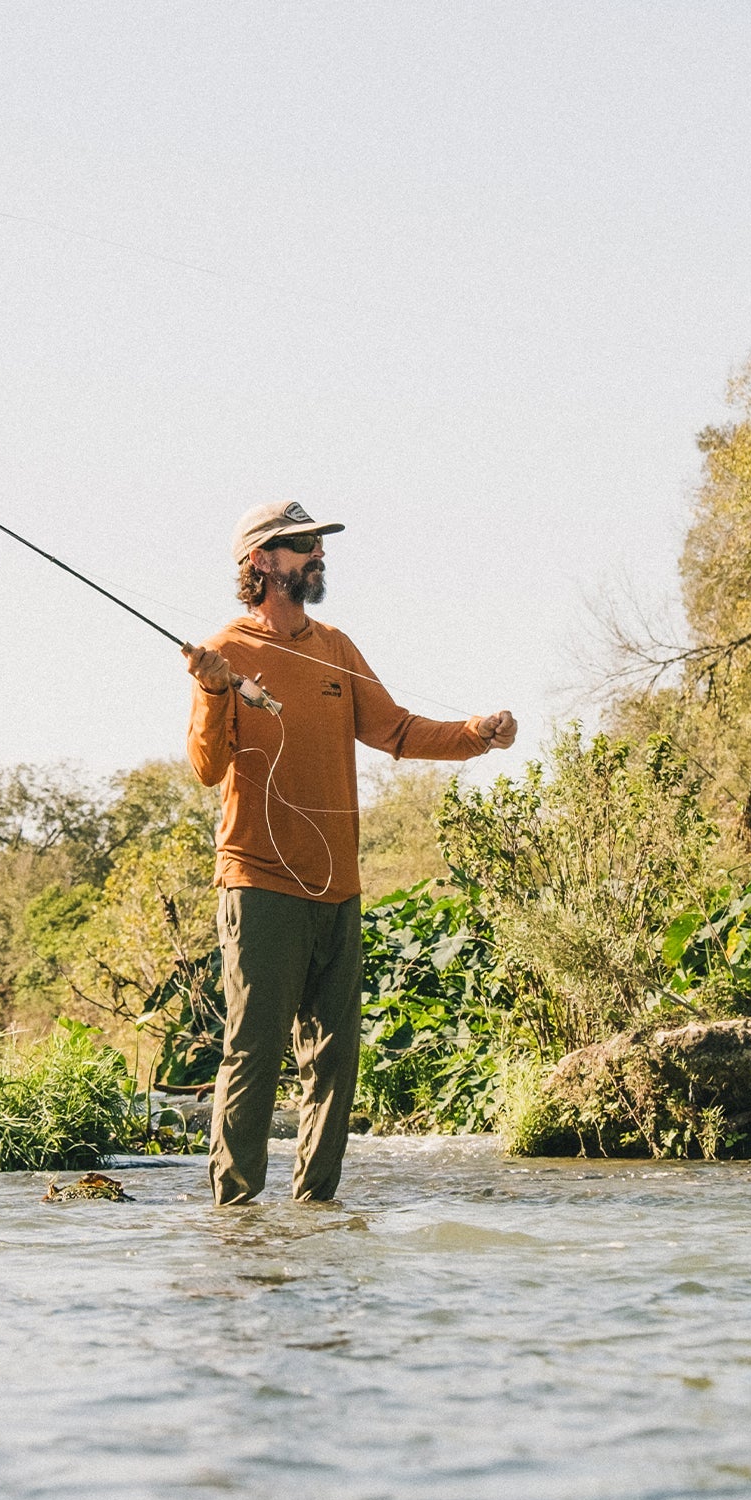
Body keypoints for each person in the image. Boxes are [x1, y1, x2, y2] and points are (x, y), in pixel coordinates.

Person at [183, 500, 516, 1205]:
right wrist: (213, 690)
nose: (319, 554)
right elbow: (208, 768)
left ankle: (317, 1215)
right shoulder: (225, 652)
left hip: (338, 886)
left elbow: (395, 730)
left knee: (335, 1062)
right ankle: (236, 1218)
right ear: (260, 561)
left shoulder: (336, 647)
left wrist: (476, 735)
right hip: (260, 882)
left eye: (317, 543)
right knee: (253, 1052)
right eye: (303, 544)